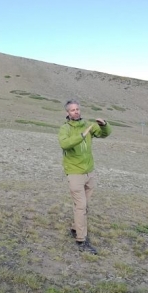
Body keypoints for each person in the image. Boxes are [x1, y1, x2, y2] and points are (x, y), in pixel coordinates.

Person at [58, 99, 112, 254]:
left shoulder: (87, 124)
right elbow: (65, 144)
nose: (76, 112)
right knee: (81, 206)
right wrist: (82, 135)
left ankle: (75, 228)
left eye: (77, 109)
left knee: (84, 206)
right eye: (72, 110)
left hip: (89, 173)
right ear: (67, 113)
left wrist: (104, 125)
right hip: (75, 173)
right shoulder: (65, 128)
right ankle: (81, 240)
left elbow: (105, 134)